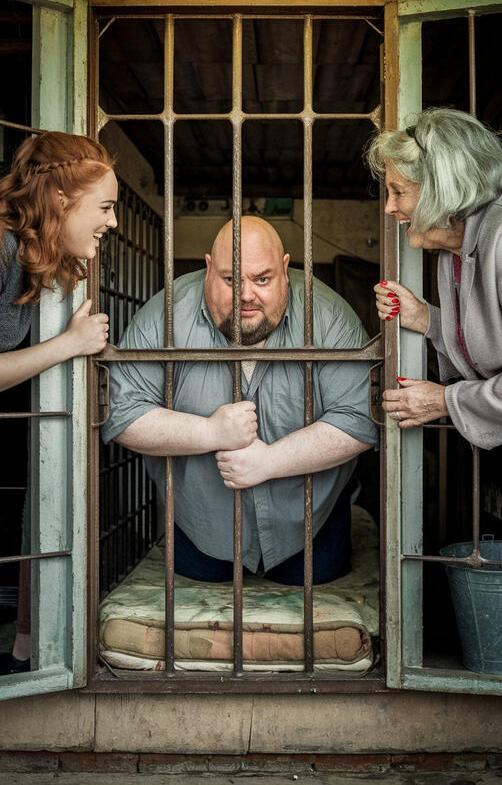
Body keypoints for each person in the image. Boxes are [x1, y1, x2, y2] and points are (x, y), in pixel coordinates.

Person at [101, 216, 377, 586]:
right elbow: (120, 411)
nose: (246, 295)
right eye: (231, 280)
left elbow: (361, 418)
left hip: (310, 523)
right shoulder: (166, 312)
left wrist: (270, 461)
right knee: (193, 616)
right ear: (208, 267)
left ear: (285, 268)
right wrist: (209, 432)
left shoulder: (327, 313)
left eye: (262, 279)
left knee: (310, 611)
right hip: (201, 525)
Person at [0, 130, 118, 675]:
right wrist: (68, 345)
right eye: (106, 207)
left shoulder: (27, 252)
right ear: (62, 200)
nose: (113, 221)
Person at [368, 106, 502, 450]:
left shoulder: (500, 239)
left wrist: (446, 400)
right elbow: (488, 342)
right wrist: (424, 317)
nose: (389, 207)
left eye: (399, 192)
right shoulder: (451, 252)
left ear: (442, 190)